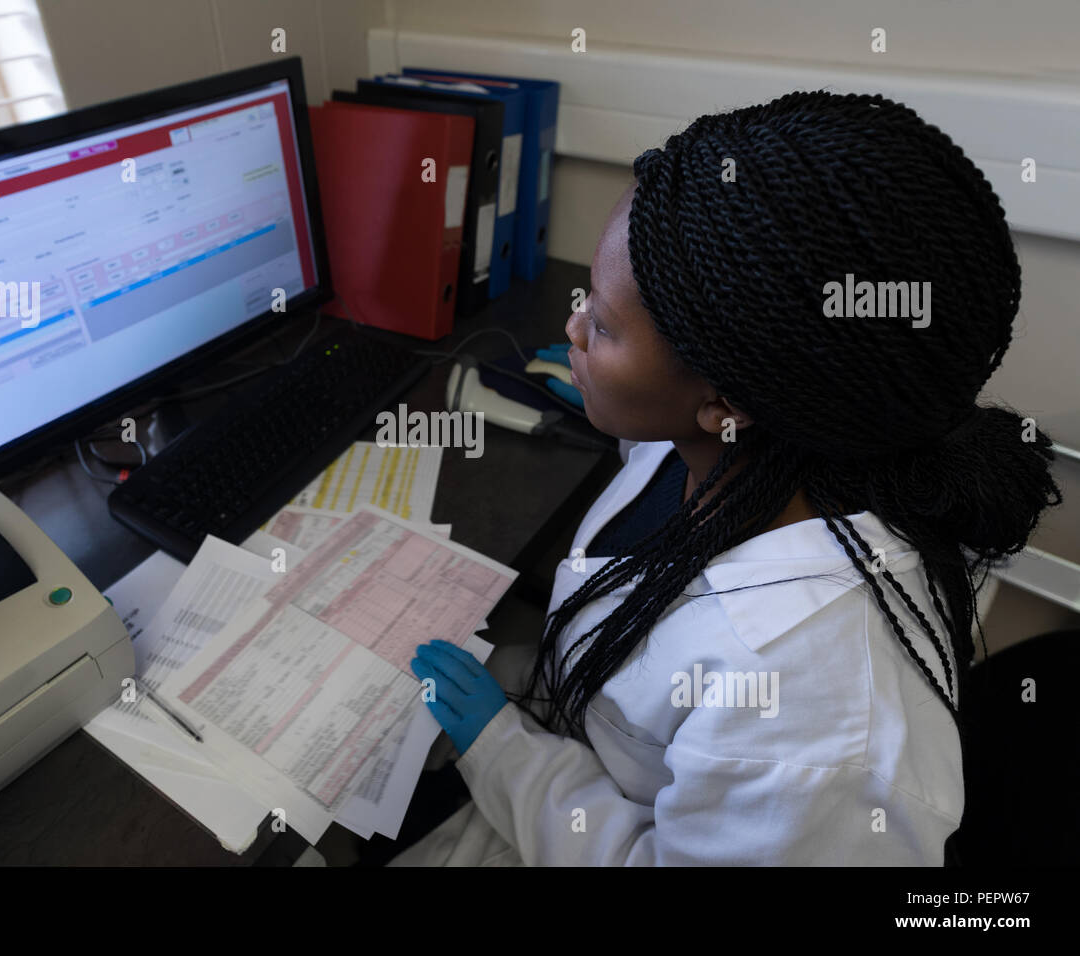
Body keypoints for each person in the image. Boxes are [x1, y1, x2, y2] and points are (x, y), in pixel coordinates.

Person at [397, 90, 1062, 866]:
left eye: (603, 326)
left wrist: (501, 751)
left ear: (724, 400)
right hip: (571, 719)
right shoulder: (751, 442)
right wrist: (623, 391)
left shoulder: (824, 725)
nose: (572, 328)